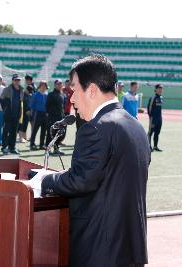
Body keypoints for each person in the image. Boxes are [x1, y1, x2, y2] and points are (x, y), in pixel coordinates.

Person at [28, 55, 150, 267]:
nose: (72, 98)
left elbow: (80, 181)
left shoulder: (95, 127)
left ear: (91, 89)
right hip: (129, 247)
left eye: (74, 89)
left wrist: (42, 180)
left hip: (99, 249)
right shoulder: (135, 126)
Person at [0, 74, 24, 155]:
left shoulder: (21, 89)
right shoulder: (7, 89)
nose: (17, 81)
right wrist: (5, 109)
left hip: (17, 114)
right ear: (12, 80)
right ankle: (4, 147)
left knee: (14, 132)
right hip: (8, 114)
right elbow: (1, 99)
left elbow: (21, 102)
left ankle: (12, 147)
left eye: (18, 80)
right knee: (6, 131)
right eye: (16, 80)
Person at [46, 79, 65, 154]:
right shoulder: (51, 94)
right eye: (58, 84)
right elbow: (47, 106)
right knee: (50, 134)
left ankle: (56, 149)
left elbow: (62, 107)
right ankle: (48, 150)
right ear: (55, 85)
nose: (59, 85)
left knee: (58, 134)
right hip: (52, 117)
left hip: (60, 117)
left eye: (60, 84)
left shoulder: (62, 94)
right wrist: (50, 117)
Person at [29, 81, 48, 150]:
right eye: (42, 85)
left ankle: (41, 145)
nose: (43, 87)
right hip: (37, 114)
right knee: (35, 130)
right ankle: (32, 144)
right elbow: (32, 105)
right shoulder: (35, 95)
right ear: (39, 86)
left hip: (45, 114)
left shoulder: (47, 95)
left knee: (43, 130)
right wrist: (32, 114)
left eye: (45, 86)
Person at [148, 84, 164, 152]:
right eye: (159, 88)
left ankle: (155, 146)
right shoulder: (153, 98)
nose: (160, 90)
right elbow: (149, 108)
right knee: (150, 133)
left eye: (161, 88)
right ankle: (148, 146)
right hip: (153, 118)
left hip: (159, 118)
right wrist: (151, 117)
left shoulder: (161, 97)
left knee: (157, 133)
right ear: (156, 89)